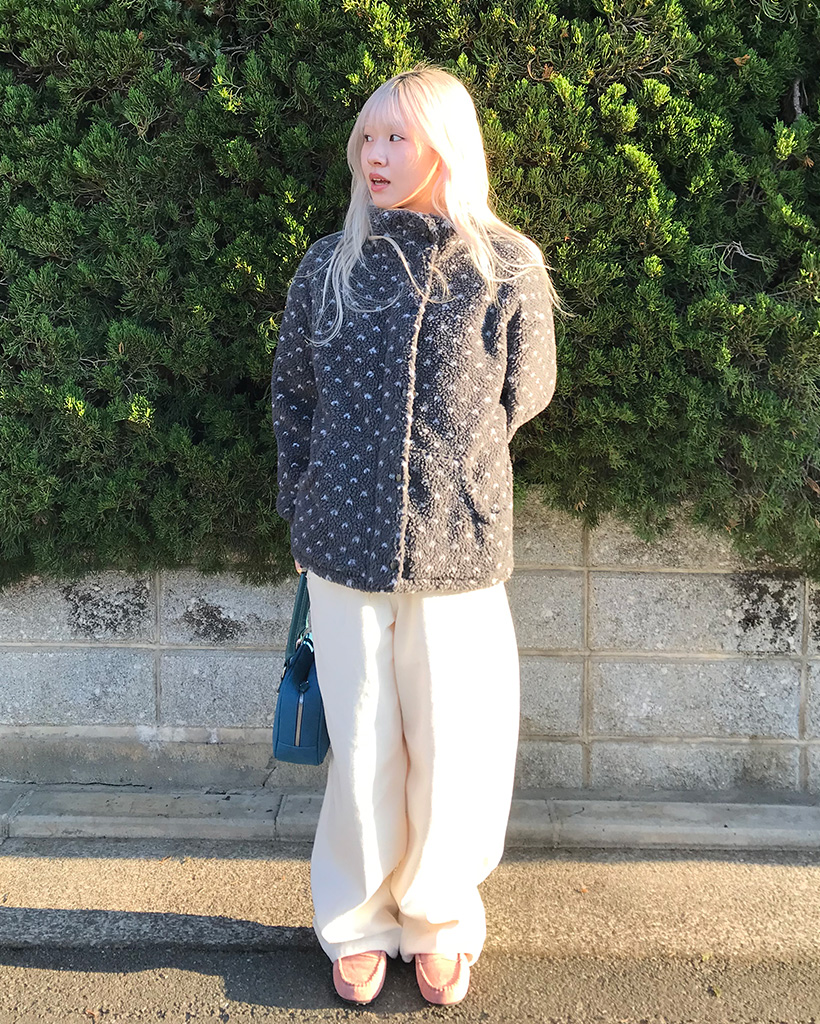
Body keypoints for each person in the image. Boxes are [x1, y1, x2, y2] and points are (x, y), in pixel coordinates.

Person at [270, 62, 564, 1007]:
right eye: (369, 136)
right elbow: (293, 396)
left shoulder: (506, 266)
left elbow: (526, 392)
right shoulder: (330, 264)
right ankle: (357, 923)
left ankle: (439, 920)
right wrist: (307, 498)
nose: (376, 154)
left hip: (458, 548)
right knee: (361, 745)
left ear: (446, 145)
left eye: (397, 136)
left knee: (455, 745)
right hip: (341, 545)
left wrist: (457, 478)